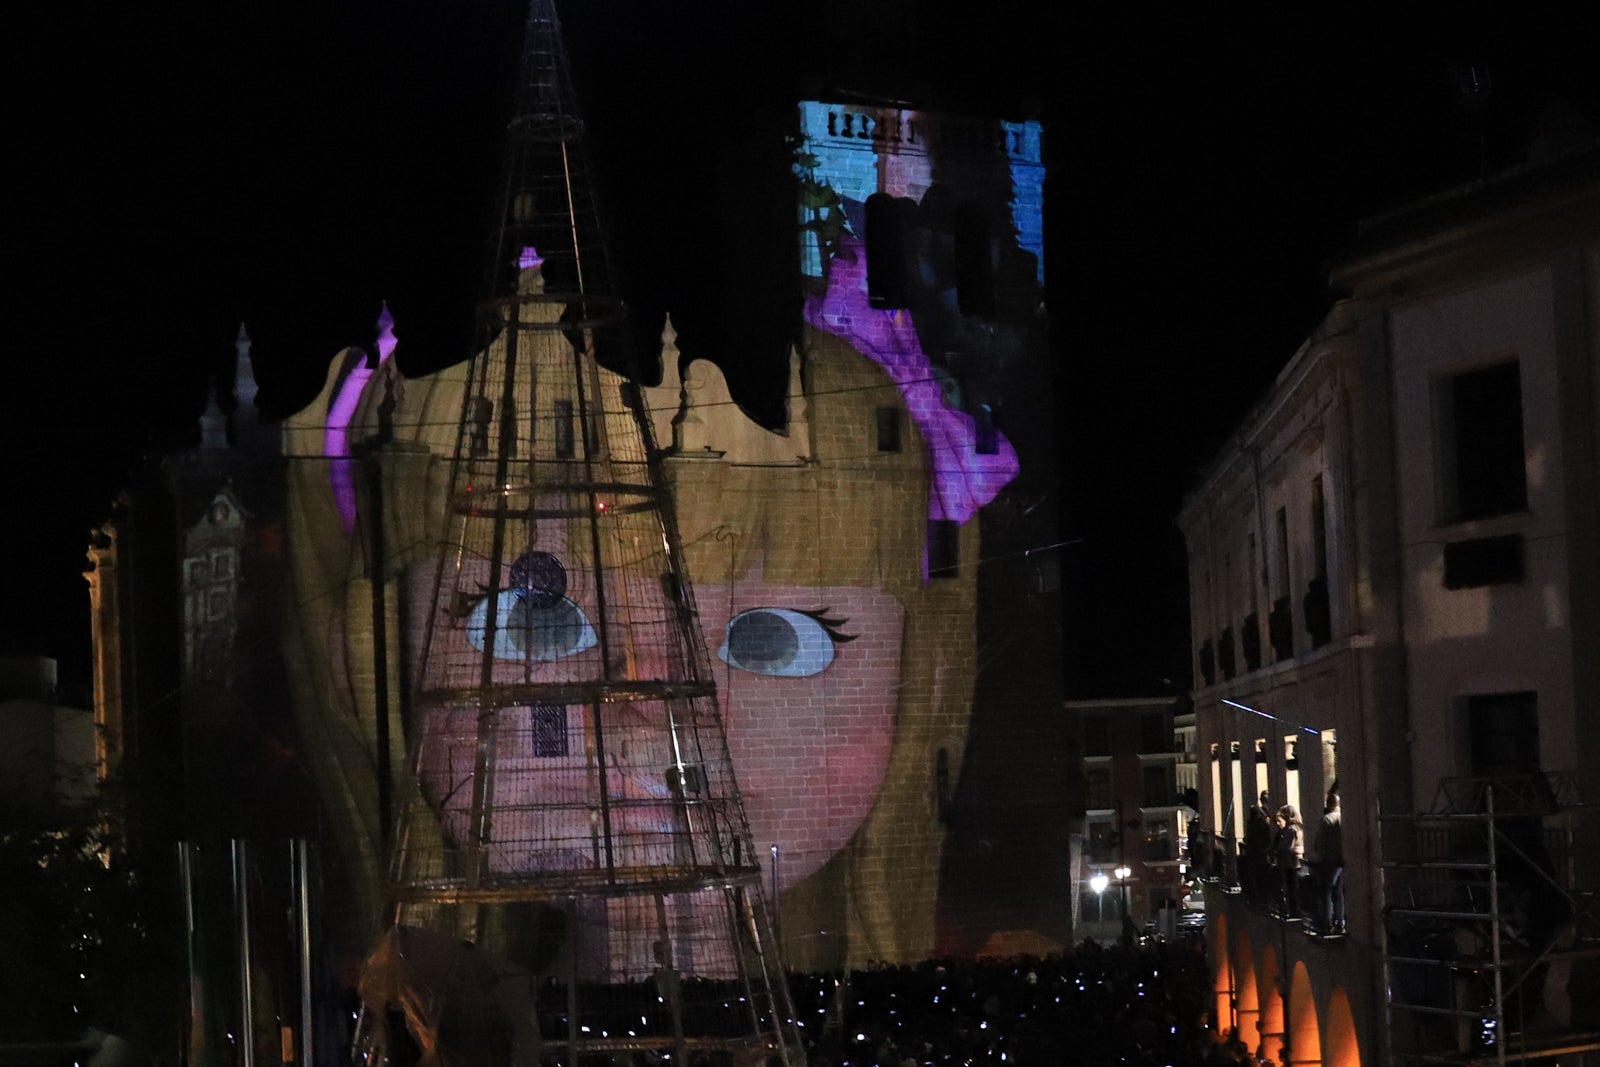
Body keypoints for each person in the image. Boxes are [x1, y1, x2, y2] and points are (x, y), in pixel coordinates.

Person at [1313, 792, 1344, 934]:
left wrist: (1320, 857)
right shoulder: (1343, 818)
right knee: (1339, 892)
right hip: (1341, 860)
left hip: (1328, 860)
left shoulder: (1325, 820)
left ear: (1328, 804)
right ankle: (1340, 920)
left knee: (1326, 892)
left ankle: (1326, 921)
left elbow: (1321, 842)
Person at [1272, 804, 1305, 919]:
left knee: (1291, 887)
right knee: (1293, 887)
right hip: (1295, 862)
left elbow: (1286, 846)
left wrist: (1279, 848)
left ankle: (1293, 910)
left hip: (1290, 863)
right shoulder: (1298, 828)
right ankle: (1294, 910)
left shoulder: (1291, 830)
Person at [1241, 792, 1271, 904]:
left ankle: (1259, 897)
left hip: (1257, 853)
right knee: (1260, 877)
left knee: (1258, 877)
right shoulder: (1260, 820)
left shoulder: (1259, 819)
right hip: (1260, 853)